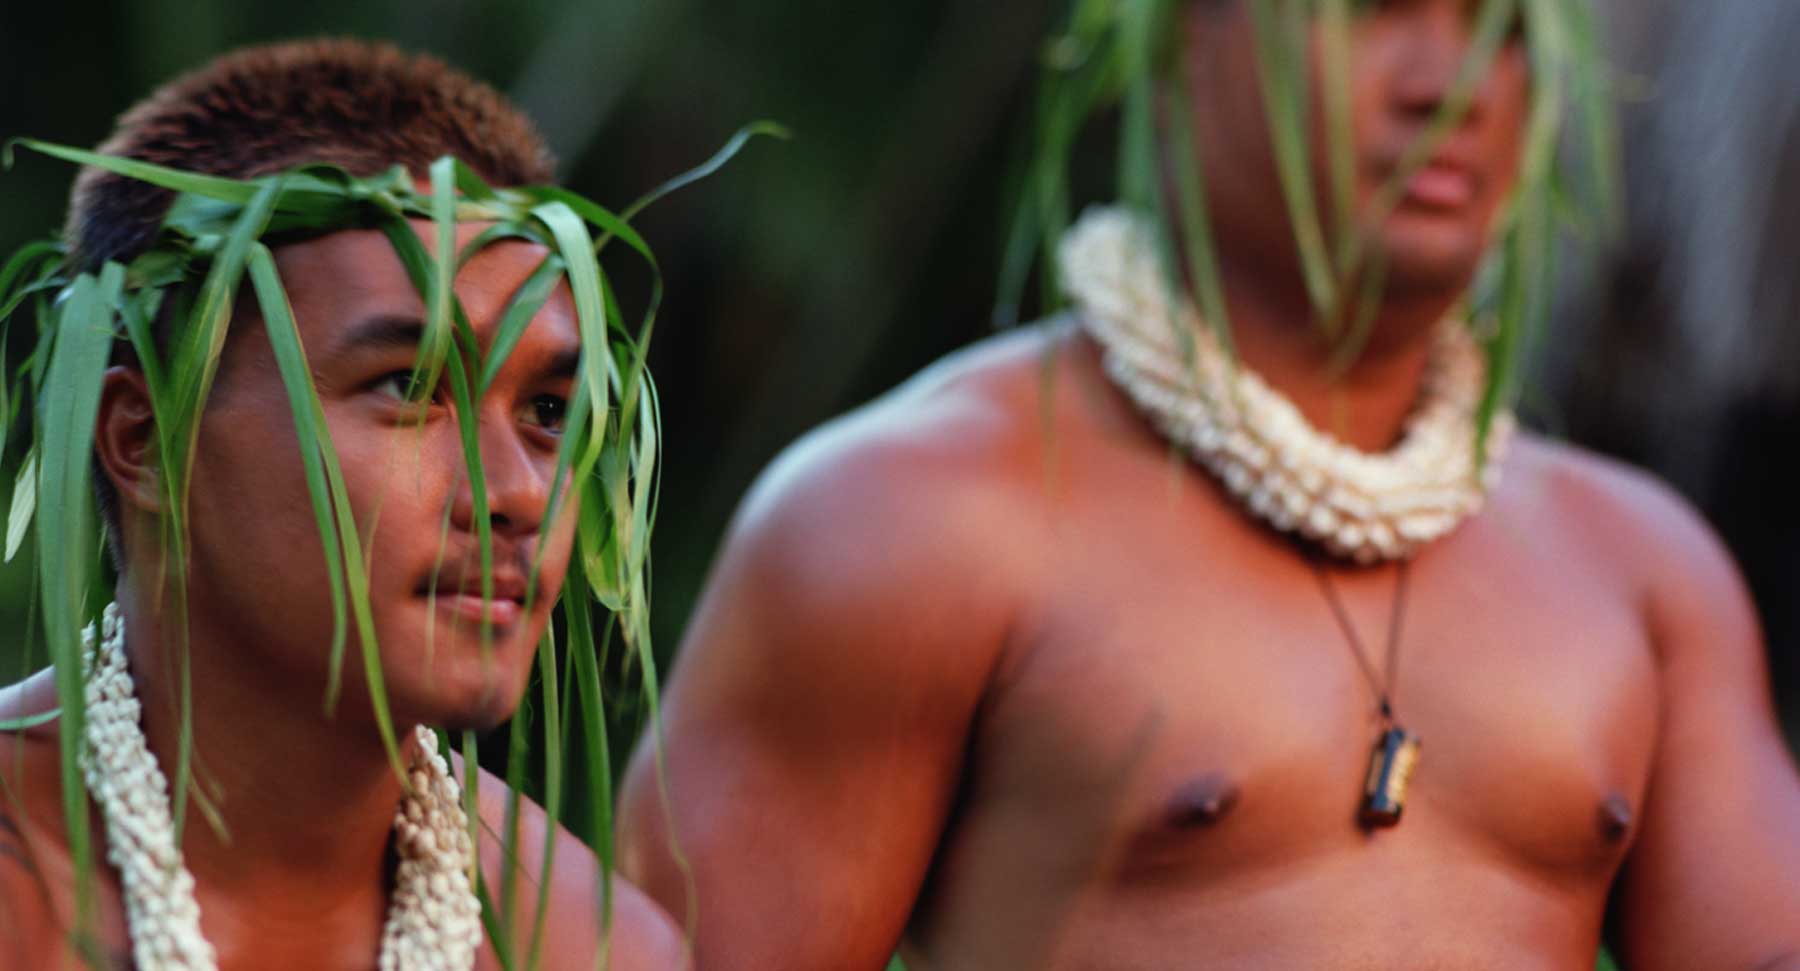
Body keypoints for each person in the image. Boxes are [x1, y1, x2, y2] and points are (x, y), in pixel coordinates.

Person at [618, 2, 1800, 969]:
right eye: (1379, 13)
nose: (1452, 82)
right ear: (1187, 36)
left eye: (1502, 30)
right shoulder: (910, 517)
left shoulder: (1645, 573)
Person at [0, 39, 687, 970]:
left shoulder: (591, 946)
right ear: (144, 439)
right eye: (410, 385)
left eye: (548, 412)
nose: (518, 492)